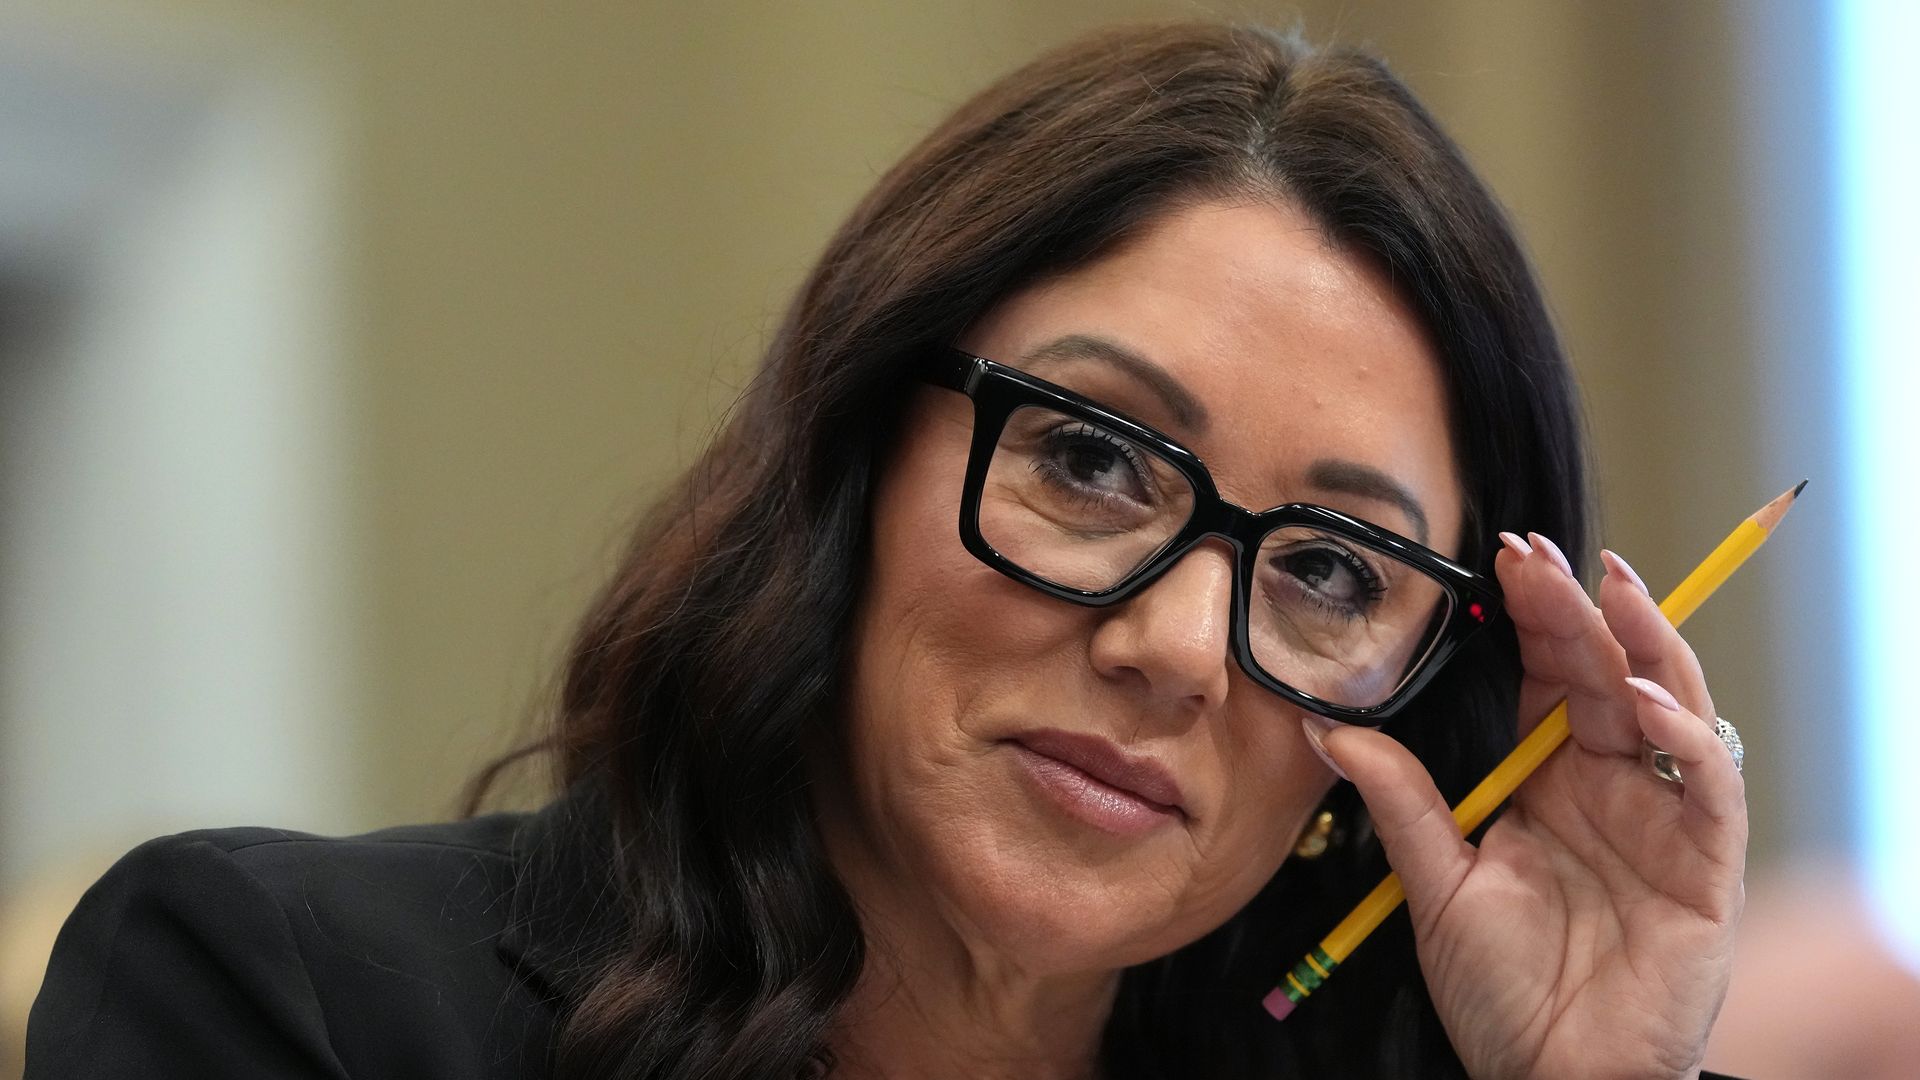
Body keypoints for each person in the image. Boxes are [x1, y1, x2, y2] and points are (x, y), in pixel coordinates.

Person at [24, 21, 1750, 1080]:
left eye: (1325, 572)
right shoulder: (282, 998)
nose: (1174, 646)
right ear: (854, 453)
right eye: (1090, 458)